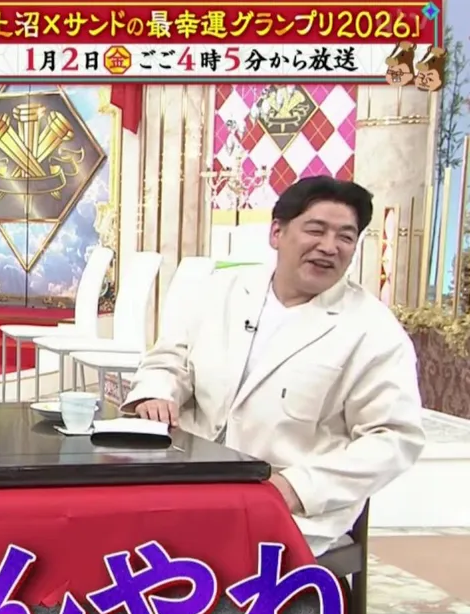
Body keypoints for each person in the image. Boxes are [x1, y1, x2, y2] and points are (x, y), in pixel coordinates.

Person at [122, 176, 425, 556]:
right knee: (107, 531)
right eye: (315, 230)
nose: (329, 247)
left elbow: (394, 437)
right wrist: (157, 391)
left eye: (345, 237)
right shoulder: (221, 290)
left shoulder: (373, 330)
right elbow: (170, 356)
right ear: (276, 233)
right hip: (189, 477)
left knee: (197, 557)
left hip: (284, 504)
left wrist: (298, 487)